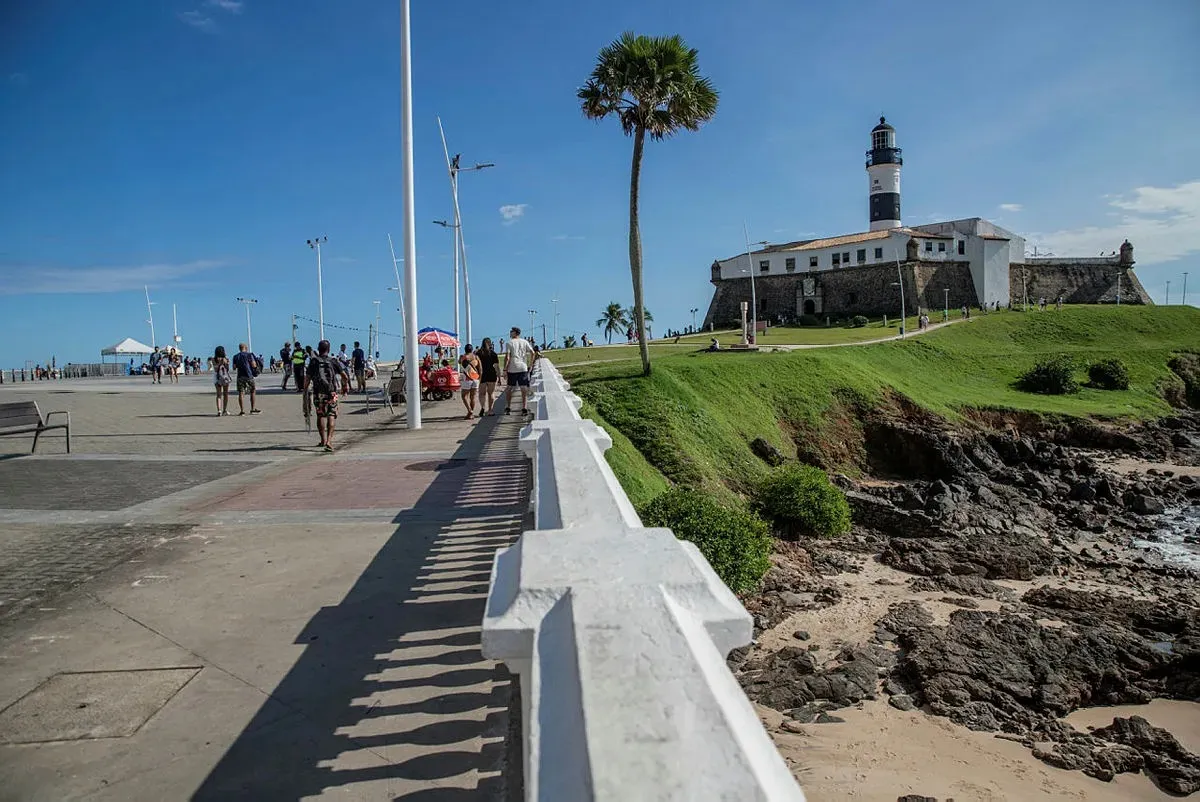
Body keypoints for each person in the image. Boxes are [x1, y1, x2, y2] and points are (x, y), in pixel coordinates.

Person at [307, 339, 350, 452]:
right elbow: (345, 376)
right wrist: (344, 387)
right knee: (331, 414)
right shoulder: (333, 361)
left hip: (318, 392)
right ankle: (329, 441)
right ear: (329, 349)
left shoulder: (314, 362)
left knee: (320, 415)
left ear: (318, 349)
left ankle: (323, 440)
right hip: (331, 392)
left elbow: (307, 379)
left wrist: (305, 391)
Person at [503, 326, 536, 416]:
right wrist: (531, 364)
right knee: (523, 388)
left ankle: (508, 407)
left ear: (515, 333)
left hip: (512, 368)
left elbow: (507, 357)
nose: (510, 333)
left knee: (509, 388)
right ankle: (524, 407)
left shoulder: (509, 343)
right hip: (523, 367)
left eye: (511, 331)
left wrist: (505, 369)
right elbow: (533, 353)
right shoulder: (525, 342)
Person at [231, 343, 262, 415]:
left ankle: (242, 411)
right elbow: (253, 365)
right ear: (245, 348)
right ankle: (252, 409)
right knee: (252, 391)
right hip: (249, 375)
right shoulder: (249, 355)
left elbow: (234, 367)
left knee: (241, 393)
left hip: (240, 376)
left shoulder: (236, 356)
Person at [477, 338, 500, 416]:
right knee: (491, 393)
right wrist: (499, 377)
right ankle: (490, 410)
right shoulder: (493, 354)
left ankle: (483, 407)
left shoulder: (478, 353)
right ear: (490, 344)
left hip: (482, 375)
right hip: (491, 375)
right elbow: (496, 367)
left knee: (482, 393)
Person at [458, 344, 482, 419]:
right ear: (472, 349)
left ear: (465, 349)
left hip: (467, 378)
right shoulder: (476, 357)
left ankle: (469, 410)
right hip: (475, 378)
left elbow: (459, 362)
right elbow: (480, 369)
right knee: (473, 397)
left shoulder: (462, 357)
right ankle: (471, 414)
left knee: (464, 396)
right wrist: (479, 378)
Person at [212, 345, 231, 416]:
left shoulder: (213, 359)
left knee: (218, 394)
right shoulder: (226, 359)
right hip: (224, 377)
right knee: (225, 394)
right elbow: (227, 369)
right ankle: (224, 410)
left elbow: (215, 369)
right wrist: (225, 363)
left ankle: (219, 410)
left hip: (217, 377)